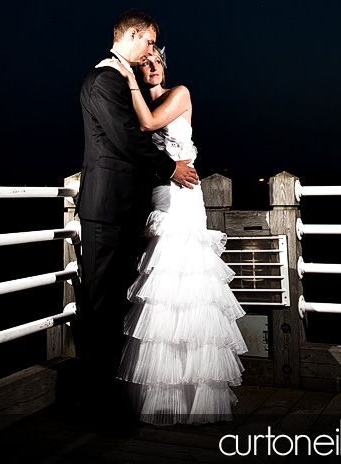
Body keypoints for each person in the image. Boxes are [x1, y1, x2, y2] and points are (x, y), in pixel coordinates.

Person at [95, 46, 247, 425]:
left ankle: (196, 391)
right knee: (161, 283)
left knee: (188, 280)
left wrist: (128, 78)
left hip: (185, 196)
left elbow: (148, 125)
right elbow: (136, 144)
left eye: (155, 62)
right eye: (143, 64)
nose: (151, 67)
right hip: (160, 193)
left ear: (165, 66)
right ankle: (160, 391)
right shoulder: (135, 107)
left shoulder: (180, 94)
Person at [75, 10, 199, 426]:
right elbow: (128, 139)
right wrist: (171, 169)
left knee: (117, 308)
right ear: (132, 34)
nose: (152, 51)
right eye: (149, 42)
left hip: (127, 212)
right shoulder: (105, 79)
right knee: (101, 309)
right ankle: (99, 407)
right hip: (107, 212)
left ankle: (116, 400)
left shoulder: (124, 81)